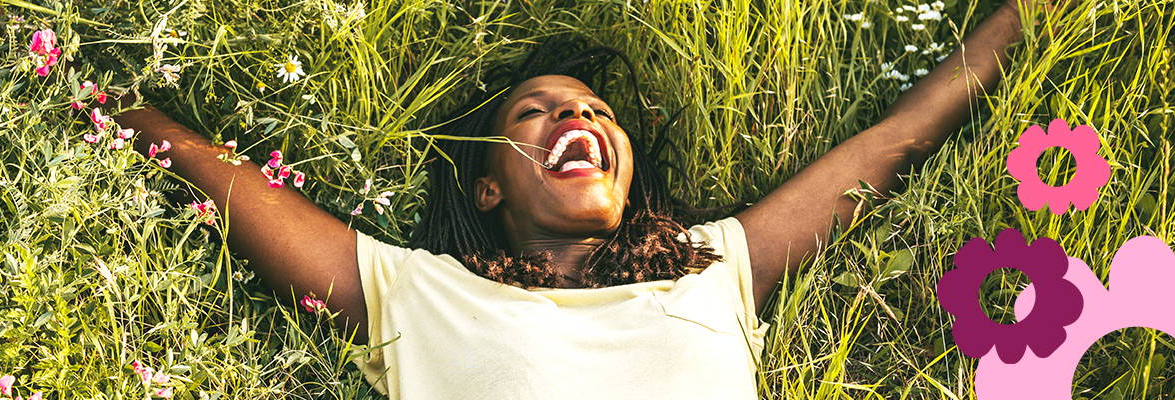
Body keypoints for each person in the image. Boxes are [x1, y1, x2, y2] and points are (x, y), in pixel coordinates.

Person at [112, 2, 1035, 398]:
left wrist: (1024, 20)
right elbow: (215, 176)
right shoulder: (418, 294)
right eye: (537, 112)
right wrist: (92, 96)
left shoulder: (715, 270)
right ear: (486, 183)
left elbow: (891, 144)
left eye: (594, 112)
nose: (577, 118)